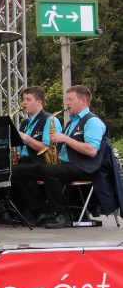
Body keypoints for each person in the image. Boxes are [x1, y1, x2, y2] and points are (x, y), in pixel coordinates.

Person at [36, 85, 107, 228]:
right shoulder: (71, 122)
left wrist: (65, 139)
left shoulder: (93, 121)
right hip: (69, 165)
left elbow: (91, 151)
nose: (67, 103)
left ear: (83, 101)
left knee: (48, 171)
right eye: (66, 100)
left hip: (85, 167)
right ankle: (39, 210)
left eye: (70, 100)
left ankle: (61, 214)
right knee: (31, 170)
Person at [9, 86, 63, 225]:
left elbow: (46, 148)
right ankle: (20, 211)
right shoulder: (24, 123)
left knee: (18, 171)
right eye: (23, 99)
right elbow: (18, 148)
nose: (24, 103)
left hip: (42, 161)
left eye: (28, 99)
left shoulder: (49, 120)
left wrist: (25, 137)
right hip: (26, 162)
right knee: (5, 171)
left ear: (39, 102)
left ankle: (39, 210)